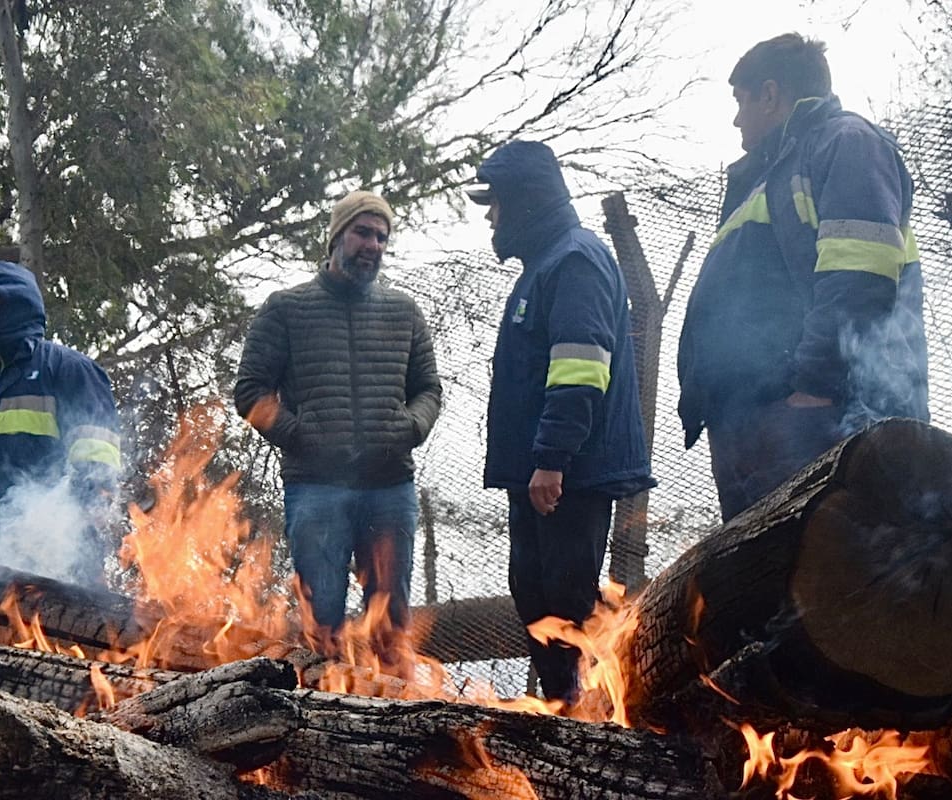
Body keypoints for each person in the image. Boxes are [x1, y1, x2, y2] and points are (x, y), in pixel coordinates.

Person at [677, 33, 929, 522]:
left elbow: (859, 276)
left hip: (815, 418)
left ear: (770, 94)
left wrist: (814, 390)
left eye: (740, 100)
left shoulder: (846, 143)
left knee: (828, 580)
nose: (735, 118)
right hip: (750, 422)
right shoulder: (763, 176)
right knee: (758, 590)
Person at [467, 141, 655, 703]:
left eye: (495, 203)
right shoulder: (544, 267)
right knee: (535, 596)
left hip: (568, 476)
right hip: (539, 475)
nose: (491, 218)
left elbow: (581, 367)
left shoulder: (574, 260)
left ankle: (590, 717)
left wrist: (552, 458)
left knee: (569, 605)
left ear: (524, 200)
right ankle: (559, 713)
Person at [234, 190, 442, 654]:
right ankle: (324, 711)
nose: (373, 245)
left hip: (389, 487)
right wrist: (299, 434)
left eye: (382, 237)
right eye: (362, 232)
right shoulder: (285, 308)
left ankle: (394, 713)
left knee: (391, 622)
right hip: (315, 489)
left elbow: (428, 389)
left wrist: (411, 427)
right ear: (335, 238)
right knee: (321, 617)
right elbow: (250, 392)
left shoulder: (403, 311)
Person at [0, 260, 122, 584]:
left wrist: (77, 541)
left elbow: (97, 467)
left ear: (15, 303)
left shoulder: (70, 368)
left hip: (58, 557)